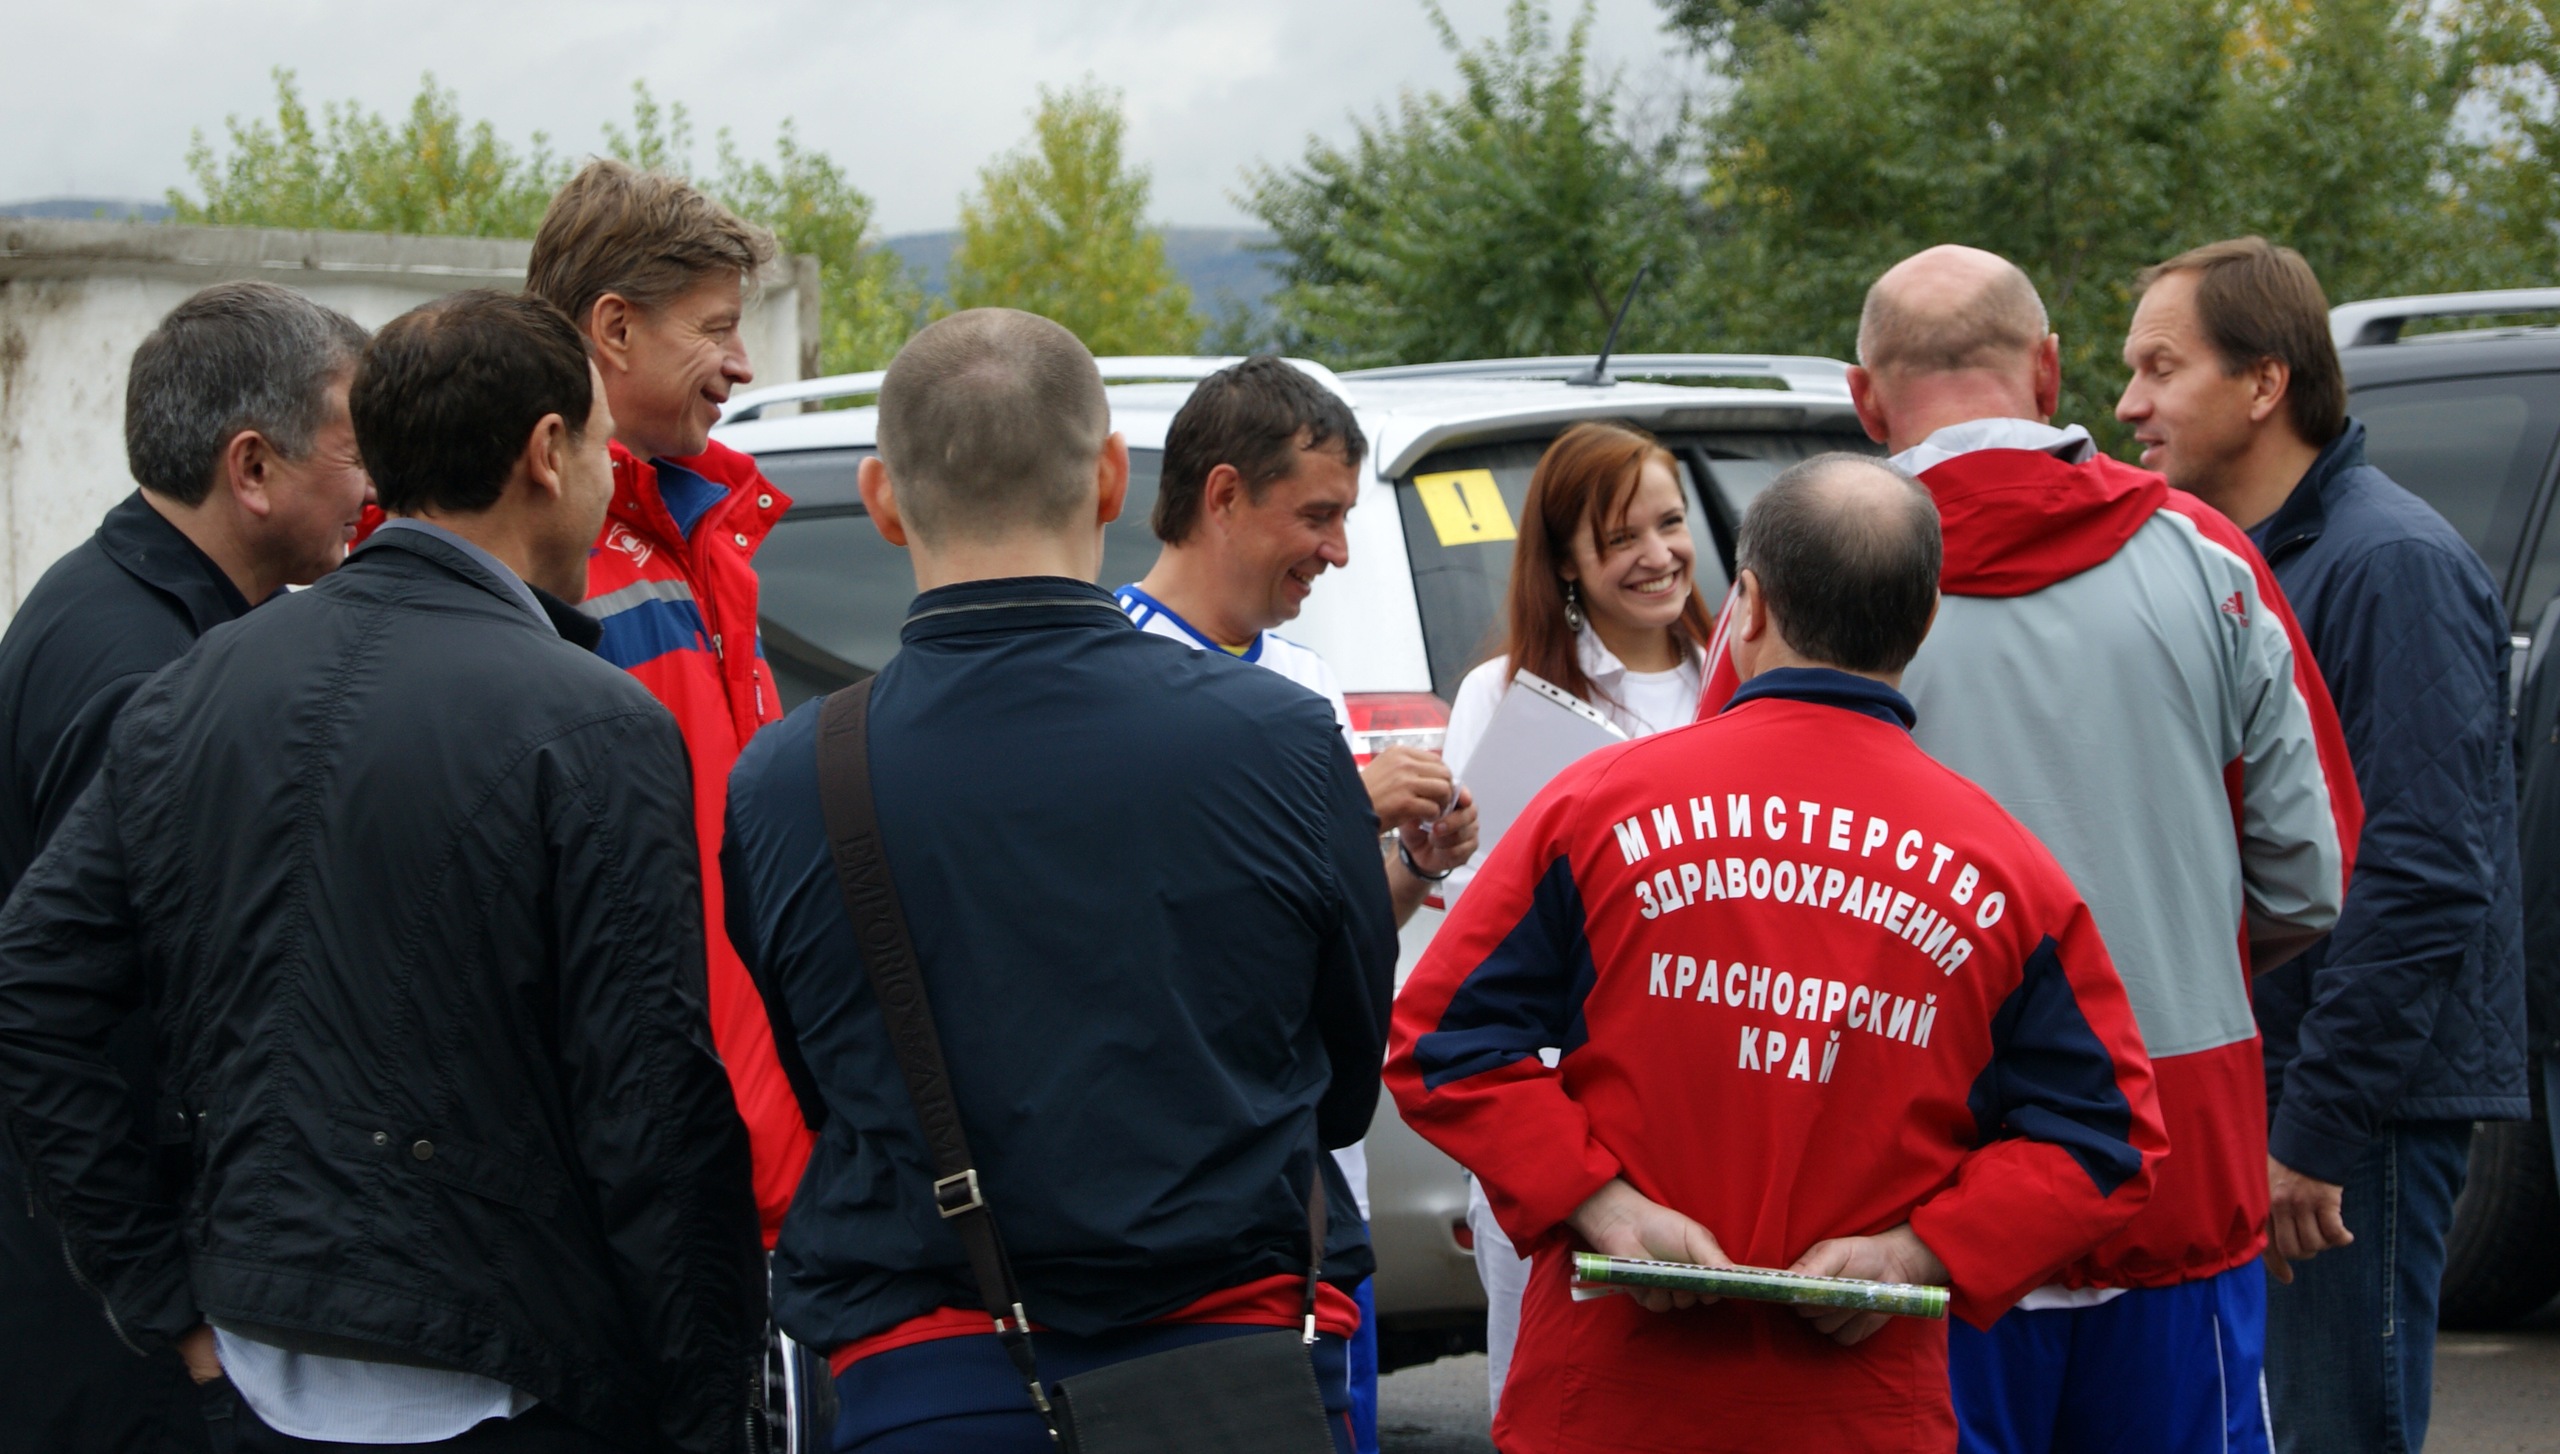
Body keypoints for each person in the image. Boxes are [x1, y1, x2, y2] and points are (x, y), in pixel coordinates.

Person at [0, 290, 766, 1452]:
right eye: (603, 448)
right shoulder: (593, 723)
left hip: (258, 1372)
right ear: (546, 453)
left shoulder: (195, 685)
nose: (609, 479)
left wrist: (166, 1293)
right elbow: (652, 1114)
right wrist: (706, 1413)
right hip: (500, 1381)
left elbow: (34, 987)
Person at [1689, 245, 2362, 1452]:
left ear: (1864, 397)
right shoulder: (2208, 560)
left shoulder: (1790, 586)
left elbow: (1724, 884)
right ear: (2048, 371)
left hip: (1897, 1189)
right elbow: (2308, 872)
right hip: (2170, 1155)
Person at [1389, 453, 2167, 1452]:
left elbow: (1439, 1040)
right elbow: (2107, 1138)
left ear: (1745, 606)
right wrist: (1918, 1251)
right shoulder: (2008, 870)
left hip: (1612, 1398)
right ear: (1926, 619)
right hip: (1858, 1413)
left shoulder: (1599, 807)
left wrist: (1602, 1205)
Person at [722, 309, 1399, 1452]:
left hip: (930, 1376)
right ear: (1111, 480)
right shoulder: (1284, 738)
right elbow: (1340, 1088)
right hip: (1232, 1371)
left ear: (882, 499)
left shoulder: (788, 778)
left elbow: (824, 1080)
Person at [2119, 236, 2528, 1453]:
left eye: (2159, 367)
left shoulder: (2389, 565)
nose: (2128, 403)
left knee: (2333, 1434)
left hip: (2356, 1116)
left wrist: (2312, 1131)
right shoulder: (2228, 560)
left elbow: (2422, 873)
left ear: (2264, 382)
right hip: (2275, 1092)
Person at [0, 280, 369, 1454]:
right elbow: (69, 1015)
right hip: (116, 1343)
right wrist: (169, 1307)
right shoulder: (144, 677)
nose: (368, 489)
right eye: (352, 449)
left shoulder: (129, 602)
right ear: (251, 467)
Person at [1116, 355, 1481, 1447]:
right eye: (1317, 516)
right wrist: (1343, 811)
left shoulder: (1306, 678)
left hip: (1327, 1189)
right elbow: (1155, 918)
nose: (1339, 550)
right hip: (1201, 1210)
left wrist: (1411, 864)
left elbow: (1326, 928)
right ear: (1223, 495)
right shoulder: (1113, 671)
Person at [523, 158, 812, 1242]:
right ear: (614, 328)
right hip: (643, 1189)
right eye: (717, 328)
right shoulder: (537, 554)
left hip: (742, 1166)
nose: (742, 364)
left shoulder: (702, 534)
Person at [1433, 419, 1714, 1416]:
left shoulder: (1735, 681)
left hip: (1715, 1093)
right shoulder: (1504, 695)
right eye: (1619, 538)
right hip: (1564, 1104)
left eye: (1669, 523)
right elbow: (1481, 920)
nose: (1657, 556)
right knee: (1557, 1386)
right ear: (1563, 561)